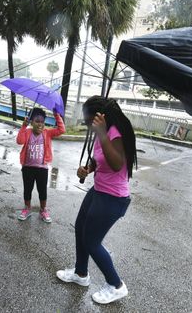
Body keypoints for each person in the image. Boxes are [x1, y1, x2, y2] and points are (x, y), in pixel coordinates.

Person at [56, 96, 137, 304]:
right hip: (99, 190)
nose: (86, 123)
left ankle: (116, 285)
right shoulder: (103, 133)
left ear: (101, 117)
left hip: (113, 198)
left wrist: (101, 134)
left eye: (88, 119)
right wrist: (88, 168)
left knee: (92, 241)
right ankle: (81, 273)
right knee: (80, 228)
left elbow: (117, 163)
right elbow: (99, 159)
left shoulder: (115, 134)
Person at [16, 107, 65, 223]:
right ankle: (27, 208)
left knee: (42, 190)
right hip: (27, 167)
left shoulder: (47, 133)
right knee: (27, 189)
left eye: (42, 122)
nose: (40, 124)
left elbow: (61, 130)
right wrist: (23, 126)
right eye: (37, 121)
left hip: (42, 169)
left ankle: (43, 210)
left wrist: (57, 116)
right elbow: (19, 141)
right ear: (31, 122)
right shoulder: (27, 132)